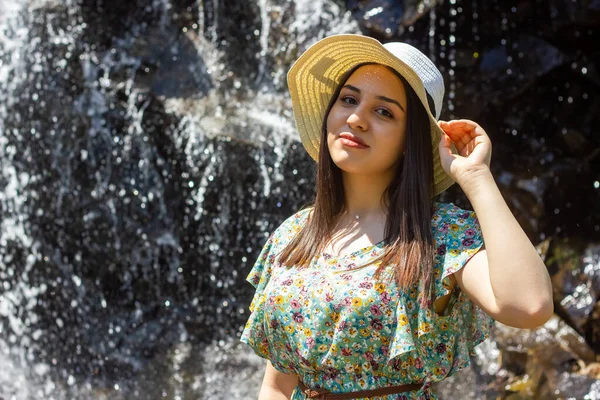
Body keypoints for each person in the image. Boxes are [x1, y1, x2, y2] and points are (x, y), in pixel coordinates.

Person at [240, 34, 553, 400]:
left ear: (410, 141)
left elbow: (529, 306)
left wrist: (476, 178)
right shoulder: (294, 234)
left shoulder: (438, 234)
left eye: (384, 111)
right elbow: (277, 386)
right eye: (349, 99)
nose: (357, 118)